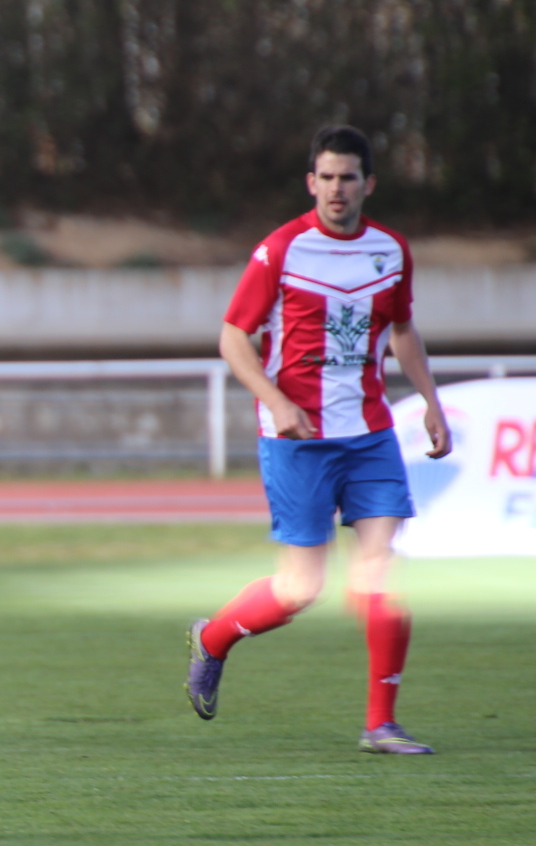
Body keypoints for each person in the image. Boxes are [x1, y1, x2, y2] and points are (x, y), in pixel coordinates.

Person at [187, 124, 451, 752]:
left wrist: (432, 403)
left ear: (368, 184)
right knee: (299, 590)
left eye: (348, 177)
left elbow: (403, 330)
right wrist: (275, 400)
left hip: (369, 432)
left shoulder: (391, 251)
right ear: (312, 182)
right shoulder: (280, 251)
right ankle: (213, 639)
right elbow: (232, 339)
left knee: (379, 573)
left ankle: (379, 724)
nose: (337, 189)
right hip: (297, 438)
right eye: (326, 177)